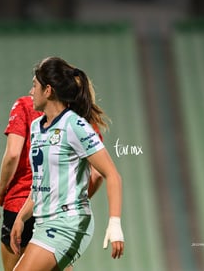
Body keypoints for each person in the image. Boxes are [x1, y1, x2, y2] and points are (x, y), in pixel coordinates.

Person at [10, 57, 124, 271]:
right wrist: (21, 218)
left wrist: (115, 224)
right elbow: (40, 185)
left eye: (34, 85)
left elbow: (112, 175)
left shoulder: (75, 126)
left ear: (48, 90)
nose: (31, 91)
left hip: (69, 224)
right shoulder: (36, 127)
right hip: (43, 224)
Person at [0, 94, 104, 271]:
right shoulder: (80, 115)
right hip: (59, 214)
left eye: (36, 82)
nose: (33, 88)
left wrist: (0, 192)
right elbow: (97, 174)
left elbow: (13, 154)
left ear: (48, 87)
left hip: (20, 202)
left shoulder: (25, 105)